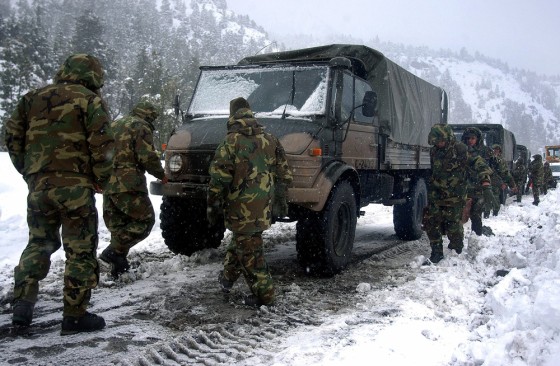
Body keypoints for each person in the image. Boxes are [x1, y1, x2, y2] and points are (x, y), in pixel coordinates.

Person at [4, 54, 113, 335]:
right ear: (93, 76)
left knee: (38, 243)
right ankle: (74, 316)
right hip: (76, 188)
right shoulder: (90, 101)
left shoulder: (31, 98)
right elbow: (102, 147)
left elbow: (12, 136)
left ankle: (22, 308)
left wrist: (31, 172)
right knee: (80, 249)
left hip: (40, 187)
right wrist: (101, 180)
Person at [207, 97, 293, 306]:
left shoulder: (230, 142)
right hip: (263, 206)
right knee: (242, 241)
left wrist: (213, 206)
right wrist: (280, 200)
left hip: (240, 208)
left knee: (250, 253)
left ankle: (266, 296)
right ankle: (227, 279)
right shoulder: (270, 139)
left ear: (232, 115)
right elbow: (285, 174)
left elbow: (219, 180)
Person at [99, 100, 168, 278]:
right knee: (144, 221)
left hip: (108, 182)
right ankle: (112, 253)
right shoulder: (140, 126)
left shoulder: (114, 124)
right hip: (129, 182)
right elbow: (147, 156)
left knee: (119, 225)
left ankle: (118, 266)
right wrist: (162, 174)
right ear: (148, 115)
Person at [423, 124, 492, 264]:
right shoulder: (434, 151)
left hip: (455, 196)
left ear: (447, 138)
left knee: (453, 226)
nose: (438, 144)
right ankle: (436, 252)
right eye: (436, 142)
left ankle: (456, 250)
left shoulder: (460, 150)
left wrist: (486, 183)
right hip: (436, 195)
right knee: (431, 223)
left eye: (440, 141)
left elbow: (479, 164)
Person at [461, 127, 496, 236]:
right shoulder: (461, 150)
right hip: (463, 187)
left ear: (478, 139)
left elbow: (492, 168)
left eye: (472, 138)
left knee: (476, 214)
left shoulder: (485, 151)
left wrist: (487, 182)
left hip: (479, 187)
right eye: (468, 138)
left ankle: (476, 236)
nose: (470, 141)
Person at [488, 144, 517, 216]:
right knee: (487, 198)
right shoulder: (489, 158)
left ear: (499, 151)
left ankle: (495, 213)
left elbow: (505, 173)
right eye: (494, 149)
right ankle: (486, 214)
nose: (495, 151)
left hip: (497, 182)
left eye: (496, 150)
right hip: (487, 181)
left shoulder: (501, 160)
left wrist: (508, 184)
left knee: (495, 197)